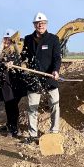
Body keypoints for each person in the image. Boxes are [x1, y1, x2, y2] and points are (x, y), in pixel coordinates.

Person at [20, 12, 61, 143]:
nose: (40, 25)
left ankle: (54, 132)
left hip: (50, 78)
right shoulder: (28, 39)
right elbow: (24, 57)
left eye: (42, 23)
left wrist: (55, 70)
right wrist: (17, 62)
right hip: (33, 78)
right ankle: (33, 135)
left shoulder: (53, 39)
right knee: (32, 107)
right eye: (38, 23)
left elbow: (57, 58)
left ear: (46, 24)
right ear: (34, 25)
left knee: (55, 105)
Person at [0, 29, 25, 137]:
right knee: (8, 105)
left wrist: (12, 63)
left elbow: (20, 61)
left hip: (14, 83)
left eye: (9, 39)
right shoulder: (1, 51)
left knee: (13, 106)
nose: (7, 41)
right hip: (4, 84)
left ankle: (14, 128)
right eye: (6, 39)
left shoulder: (16, 51)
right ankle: (10, 125)